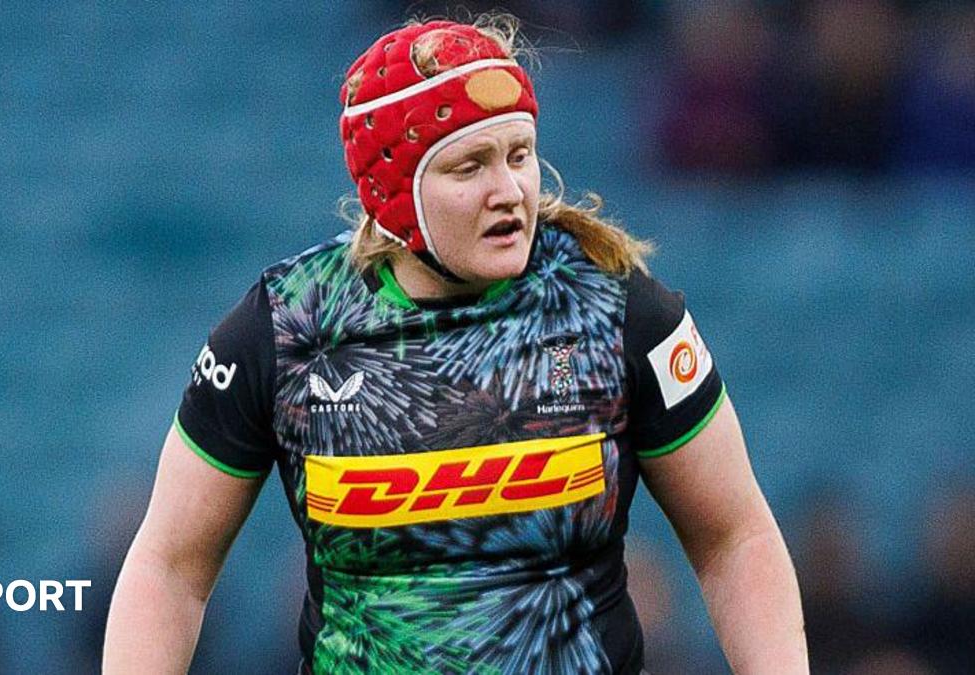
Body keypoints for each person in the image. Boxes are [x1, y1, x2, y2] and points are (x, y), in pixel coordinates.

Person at [103, 14, 808, 674]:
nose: (509, 191)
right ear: (393, 192)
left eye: (520, 154)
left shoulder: (617, 309)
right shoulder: (286, 329)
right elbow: (170, 566)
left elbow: (735, 537)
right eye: (469, 167)